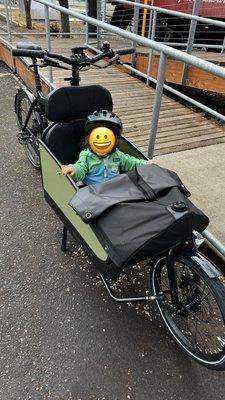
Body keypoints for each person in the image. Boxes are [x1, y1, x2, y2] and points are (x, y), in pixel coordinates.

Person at [61, 110, 154, 185]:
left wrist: (145, 164)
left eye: (107, 136)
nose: (102, 139)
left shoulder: (117, 154)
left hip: (113, 189)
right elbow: (80, 168)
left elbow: (131, 163)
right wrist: (73, 169)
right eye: (97, 136)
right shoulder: (86, 155)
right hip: (92, 190)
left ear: (114, 140)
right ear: (89, 138)